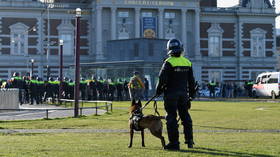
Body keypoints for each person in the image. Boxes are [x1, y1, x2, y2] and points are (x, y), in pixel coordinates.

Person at [156, 39, 196, 150]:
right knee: (186, 117)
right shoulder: (187, 62)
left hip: (171, 95)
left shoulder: (168, 62)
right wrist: (192, 94)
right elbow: (191, 81)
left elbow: (161, 79)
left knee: (171, 118)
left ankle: (174, 143)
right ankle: (190, 141)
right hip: (183, 95)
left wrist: (158, 90)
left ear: (169, 49)